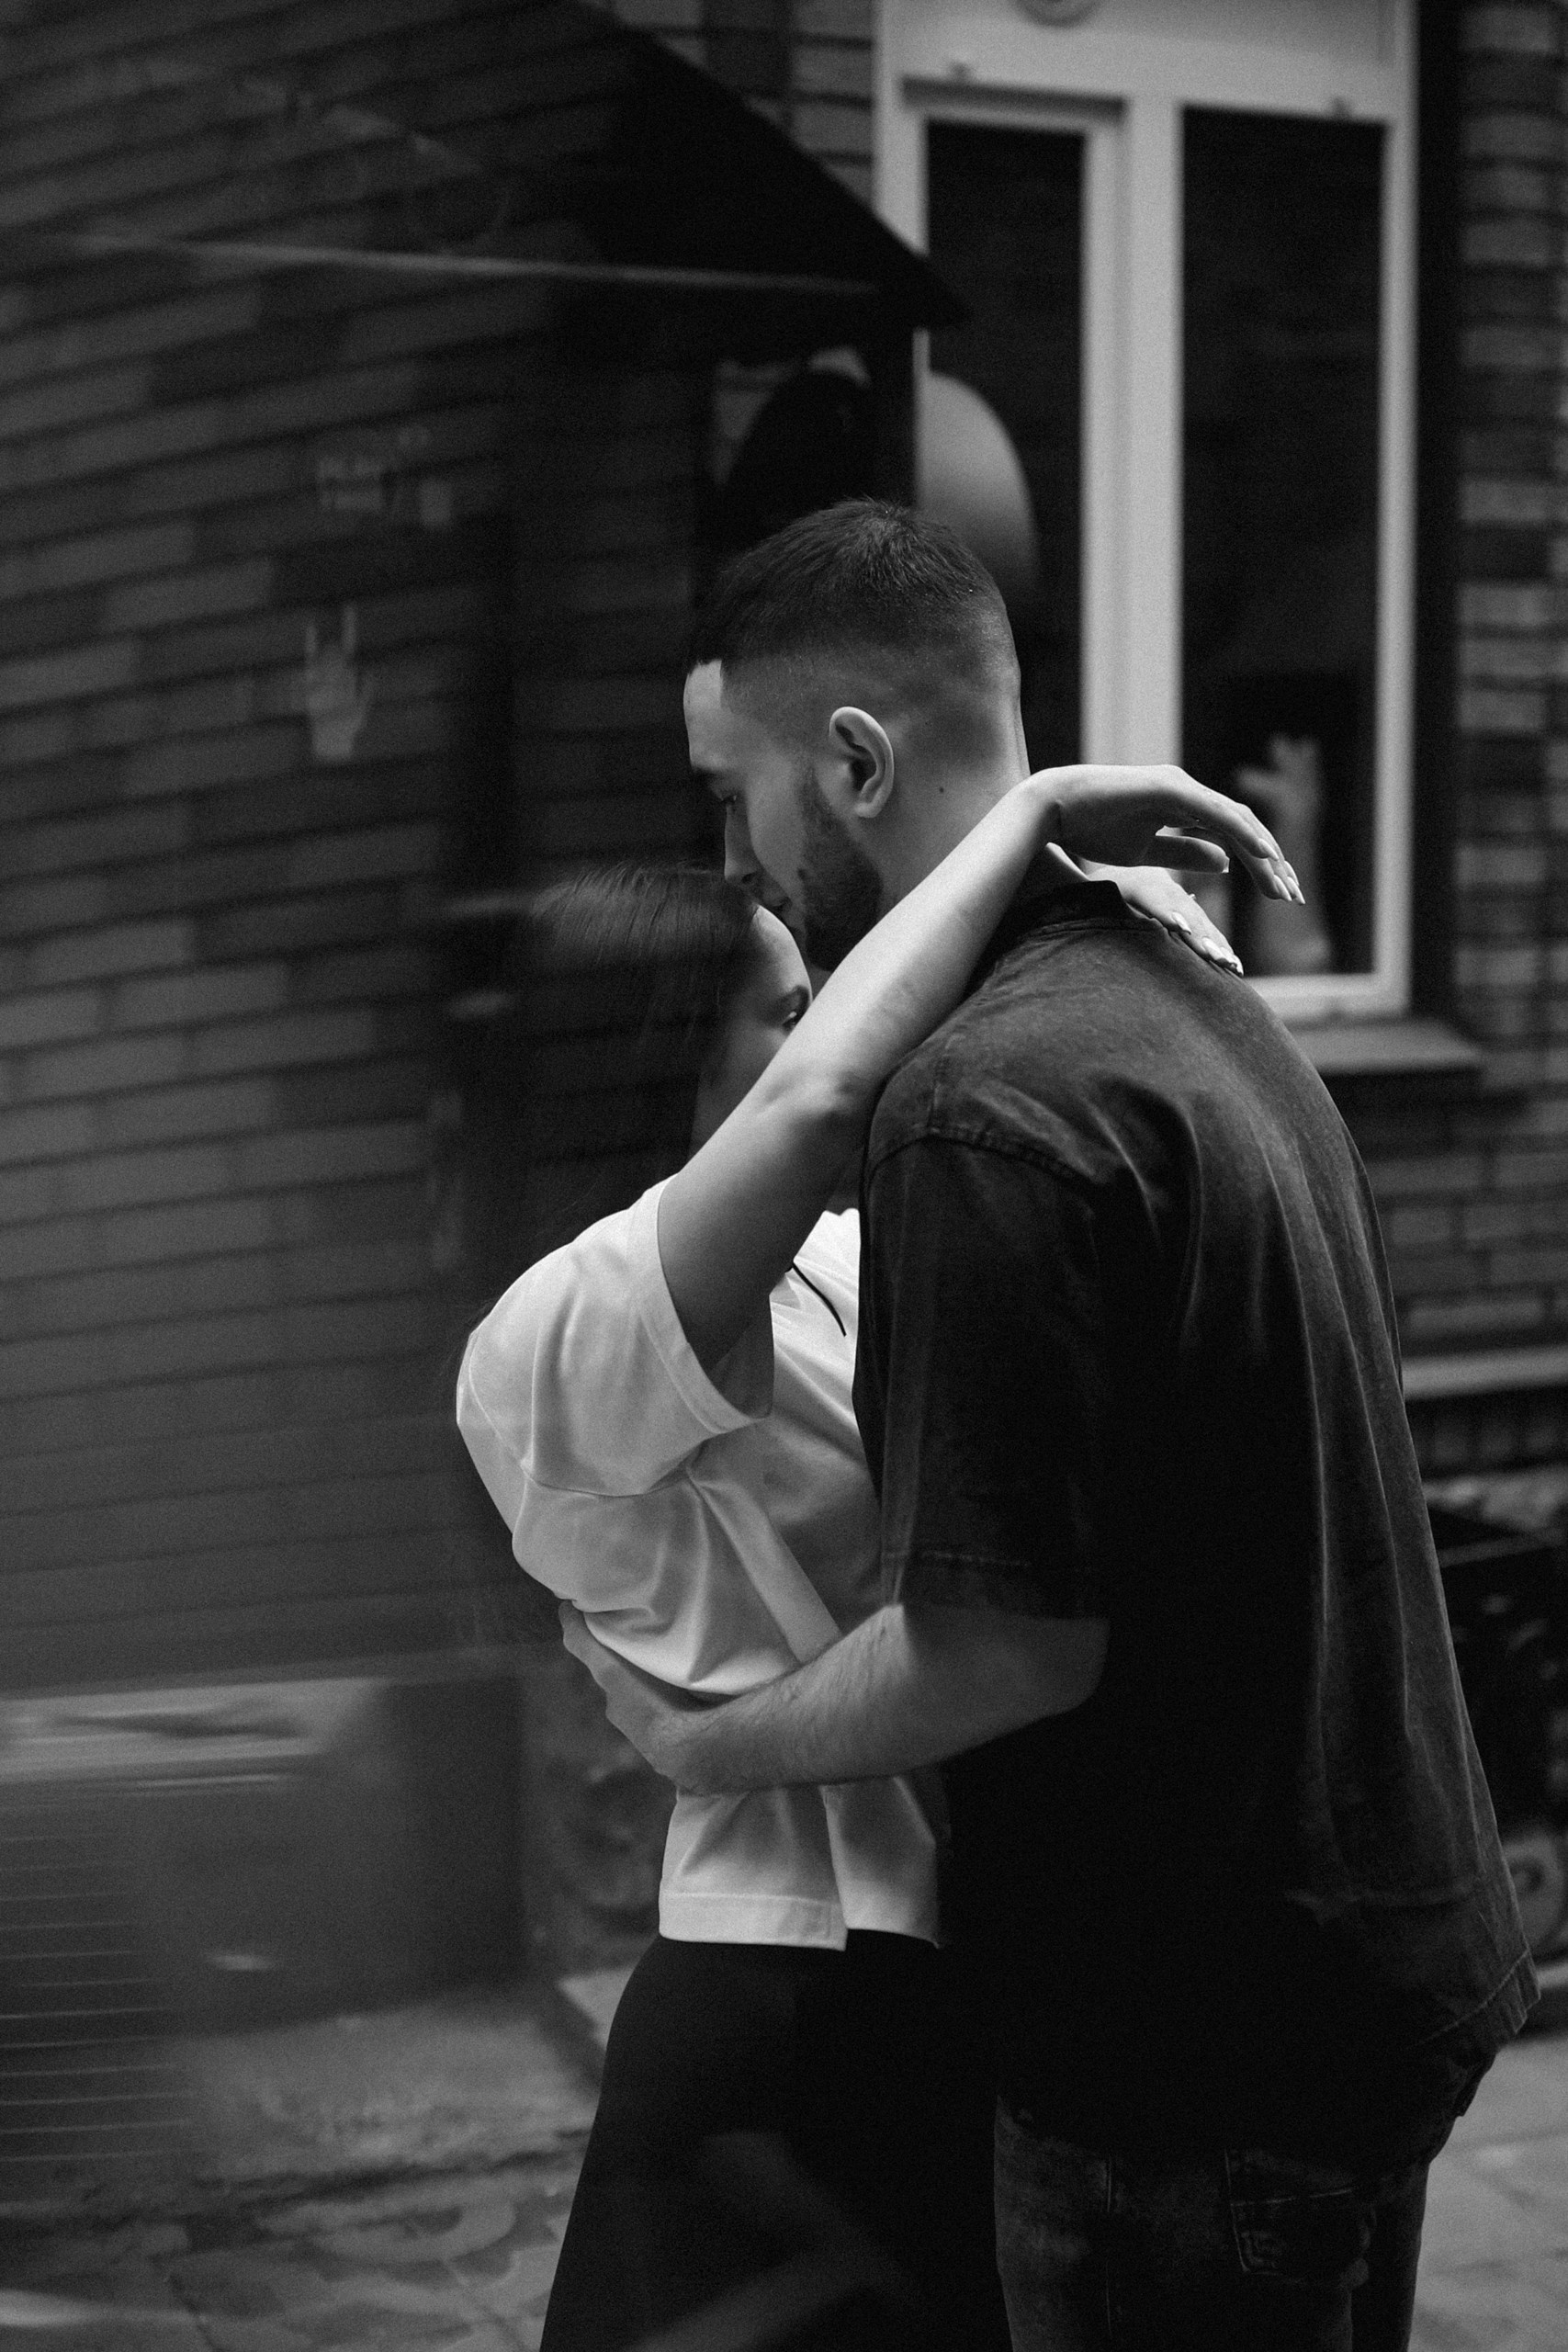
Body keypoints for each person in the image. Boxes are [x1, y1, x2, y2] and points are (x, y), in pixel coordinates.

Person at [561, 501, 1539, 2352]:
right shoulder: (1187, 989)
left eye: (734, 797)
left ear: (853, 763)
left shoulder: (980, 1105)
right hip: (1362, 1955)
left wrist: (705, 1738)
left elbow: (999, 1646)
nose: (735, 864)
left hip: (1191, 2056)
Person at [457, 762, 1296, 2348]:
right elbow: (826, 1099)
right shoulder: (551, 1343)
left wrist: (1099, 931)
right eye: (787, 1008)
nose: (841, 1024)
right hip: (788, 2005)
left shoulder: (836, 1249)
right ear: (660, 1062)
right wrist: (1027, 818)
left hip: (936, 1979)